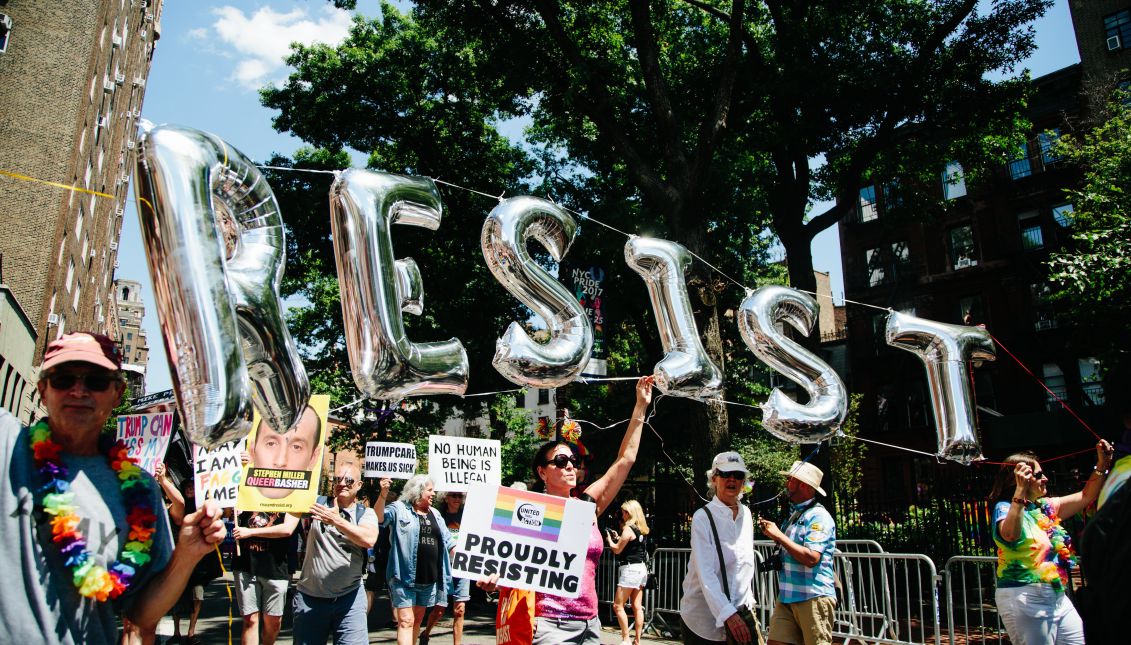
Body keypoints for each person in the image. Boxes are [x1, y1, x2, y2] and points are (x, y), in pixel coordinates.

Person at [0, 332, 226, 643]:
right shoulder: (7, 446)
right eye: (64, 379)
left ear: (117, 393)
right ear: (42, 389)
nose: (79, 391)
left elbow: (142, 614)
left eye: (96, 381)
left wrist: (187, 553)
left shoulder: (141, 492)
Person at [489, 375, 652, 645]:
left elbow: (625, 459)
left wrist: (640, 407)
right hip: (549, 627)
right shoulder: (530, 513)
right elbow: (503, 558)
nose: (570, 466)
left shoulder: (585, 508)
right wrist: (493, 576)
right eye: (561, 460)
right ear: (542, 472)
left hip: (590, 625)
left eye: (573, 461)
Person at [987, 440, 1113, 645]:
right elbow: (1010, 535)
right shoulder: (1004, 508)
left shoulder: (1045, 507)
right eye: (1038, 475)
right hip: (1024, 596)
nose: (1045, 478)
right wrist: (1019, 493)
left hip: (1057, 596)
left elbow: (1086, 495)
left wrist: (1103, 464)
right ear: (1019, 479)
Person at [293, 463, 379, 645]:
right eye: (337, 479)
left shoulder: (366, 513)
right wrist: (251, 464)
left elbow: (369, 539)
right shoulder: (317, 504)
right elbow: (282, 494)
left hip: (350, 599)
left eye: (349, 480)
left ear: (359, 485)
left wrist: (336, 521)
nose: (342, 483)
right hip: (310, 598)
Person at [681, 452, 757, 645]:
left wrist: (747, 604)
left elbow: (745, 565)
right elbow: (706, 573)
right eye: (725, 474)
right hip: (703, 620)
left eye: (738, 475)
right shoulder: (702, 517)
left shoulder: (746, 514)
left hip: (740, 613)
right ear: (714, 479)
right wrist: (728, 614)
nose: (732, 479)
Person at [757, 460, 836, 645]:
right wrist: (774, 535)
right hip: (787, 596)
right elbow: (791, 546)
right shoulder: (796, 514)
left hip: (813, 598)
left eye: (790, 480)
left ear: (803, 484)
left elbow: (811, 557)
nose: (787, 484)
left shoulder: (818, 516)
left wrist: (779, 535)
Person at [374, 475, 454, 645]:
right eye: (430, 490)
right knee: (406, 621)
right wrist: (383, 494)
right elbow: (379, 518)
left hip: (429, 580)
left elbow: (448, 541)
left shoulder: (436, 514)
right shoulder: (399, 508)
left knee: (417, 621)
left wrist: (467, 560)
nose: (433, 494)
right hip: (404, 578)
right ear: (418, 491)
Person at [231, 510, 299, 645]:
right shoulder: (245, 491)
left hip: (275, 568)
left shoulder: (293, 495)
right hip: (245, 565)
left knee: (273, 622)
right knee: (250, 620)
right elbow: (226, 511)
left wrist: (249, 532)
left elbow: (287, 529)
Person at [419, 491, 470, 645]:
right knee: (439, 609)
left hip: (463, 566)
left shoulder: (468, 516)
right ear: (446, 498)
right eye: (453, 496)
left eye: (460, 496)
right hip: (443, 567)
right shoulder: (437, 516)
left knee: (459, 610)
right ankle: (426, 633)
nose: (457, 499)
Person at [247, 405, 323, 500]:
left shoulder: (320, 510)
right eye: (271, 444)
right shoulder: (234, 497)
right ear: (252, 450)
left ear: (313, 458)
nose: (280, 462)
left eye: (296, 447)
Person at [606, 499, 651, 645]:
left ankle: (625, 638)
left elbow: (617, 549)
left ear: (629, 513)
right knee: (637, 606)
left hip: (630, 569)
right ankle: (637, 639)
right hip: (641, 569)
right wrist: (618, 538)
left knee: (617, 605)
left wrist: (609, 541)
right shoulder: (641, 529)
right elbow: (631, 546)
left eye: (624, 512)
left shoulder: (628, 528)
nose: (622, 515)